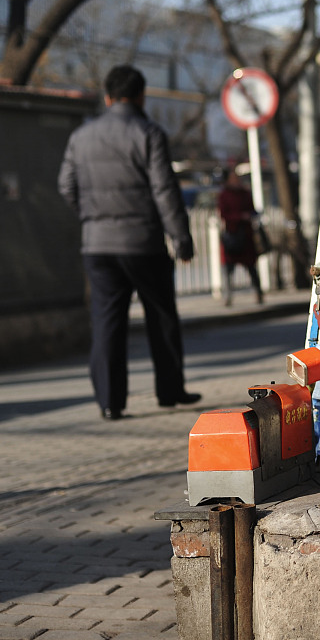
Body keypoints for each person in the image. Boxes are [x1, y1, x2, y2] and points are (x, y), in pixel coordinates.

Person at [58, 64, 202, 420]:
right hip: (143, 244)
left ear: (108, 97)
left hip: (97, 245)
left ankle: (110, 402)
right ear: (141, 95)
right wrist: (180, 237)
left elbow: (66, 185)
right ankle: (169, 391)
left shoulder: (81, 136)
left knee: (107, 323)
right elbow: (165, 190)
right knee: (162, 316)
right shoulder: (148, 132)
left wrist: (92, 215)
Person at [216, 167, 264, 306]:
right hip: (232, 234)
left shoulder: (245, 193)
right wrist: (240, 217)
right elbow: (223, 214)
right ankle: (228, 295)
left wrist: (251, 215)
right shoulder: (224, 195)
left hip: (246, 235)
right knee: (228, 268)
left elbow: (252, 209)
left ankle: (258, 292)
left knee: (251, 267)